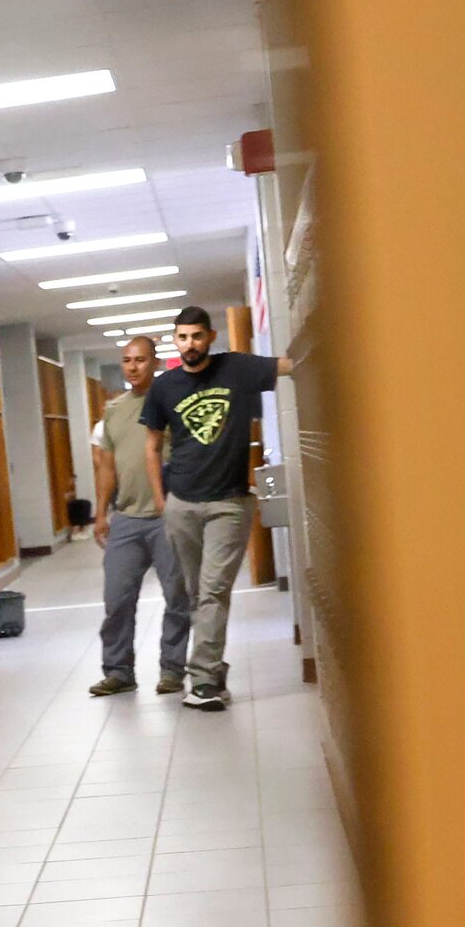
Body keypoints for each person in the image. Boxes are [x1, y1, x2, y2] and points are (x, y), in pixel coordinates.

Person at [141, 305, 294, 712]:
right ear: (175, 341)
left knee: (213, 591)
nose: (189, 344)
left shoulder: (238, 369)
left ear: (210, 336)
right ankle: (214, 669)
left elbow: (290, 365)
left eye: (196, 336)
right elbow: (152, 445)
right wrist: (161, 499)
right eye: (181, 338)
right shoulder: (164, 386)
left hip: (228, 502)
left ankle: (203, 680)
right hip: (182, 503)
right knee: (194, 595)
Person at [89, 336, 193, 697]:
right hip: (127, 519)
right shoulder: (114, 410)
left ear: (156, 362)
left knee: (177, 597)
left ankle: (172, 670)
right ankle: (118, 671)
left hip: (168, 516)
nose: (133, 367)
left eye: (140, 360)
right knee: (117, 600)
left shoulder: (172, 401)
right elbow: (107, 467)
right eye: (126, 360)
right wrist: (101, 514)